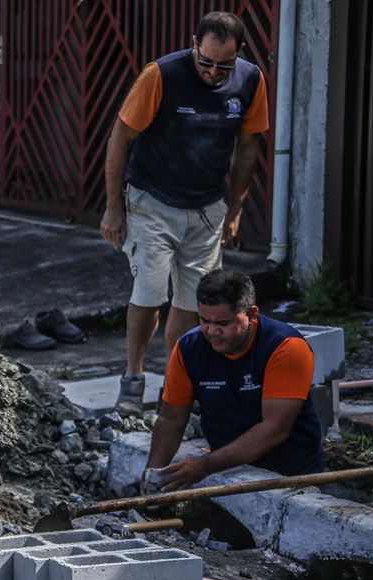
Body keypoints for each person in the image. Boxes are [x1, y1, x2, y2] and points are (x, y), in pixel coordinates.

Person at [100, 11, 270, 417]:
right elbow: (120, 138)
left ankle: (178, 385)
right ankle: (133, 378)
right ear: (194, 44)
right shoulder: (161, 75)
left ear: (239, 54)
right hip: (151, 201)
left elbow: (248, 148)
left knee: (193, 303)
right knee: (150, 293)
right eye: (205, 61)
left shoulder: (250, 80)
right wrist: (113, 208)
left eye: (222, 65)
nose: (212, 72)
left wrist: (234, 209)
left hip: (207, 206)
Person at [143, 269, 324, 492]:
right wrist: (152, 476)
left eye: (223, 323)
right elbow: (171, 418)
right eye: (204, 320)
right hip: (230, 469)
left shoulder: (286, 347)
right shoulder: (187, 349)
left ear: (252, 314)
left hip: (292, 475)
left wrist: (204, 465)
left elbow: (274, 429)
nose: (211, 331)